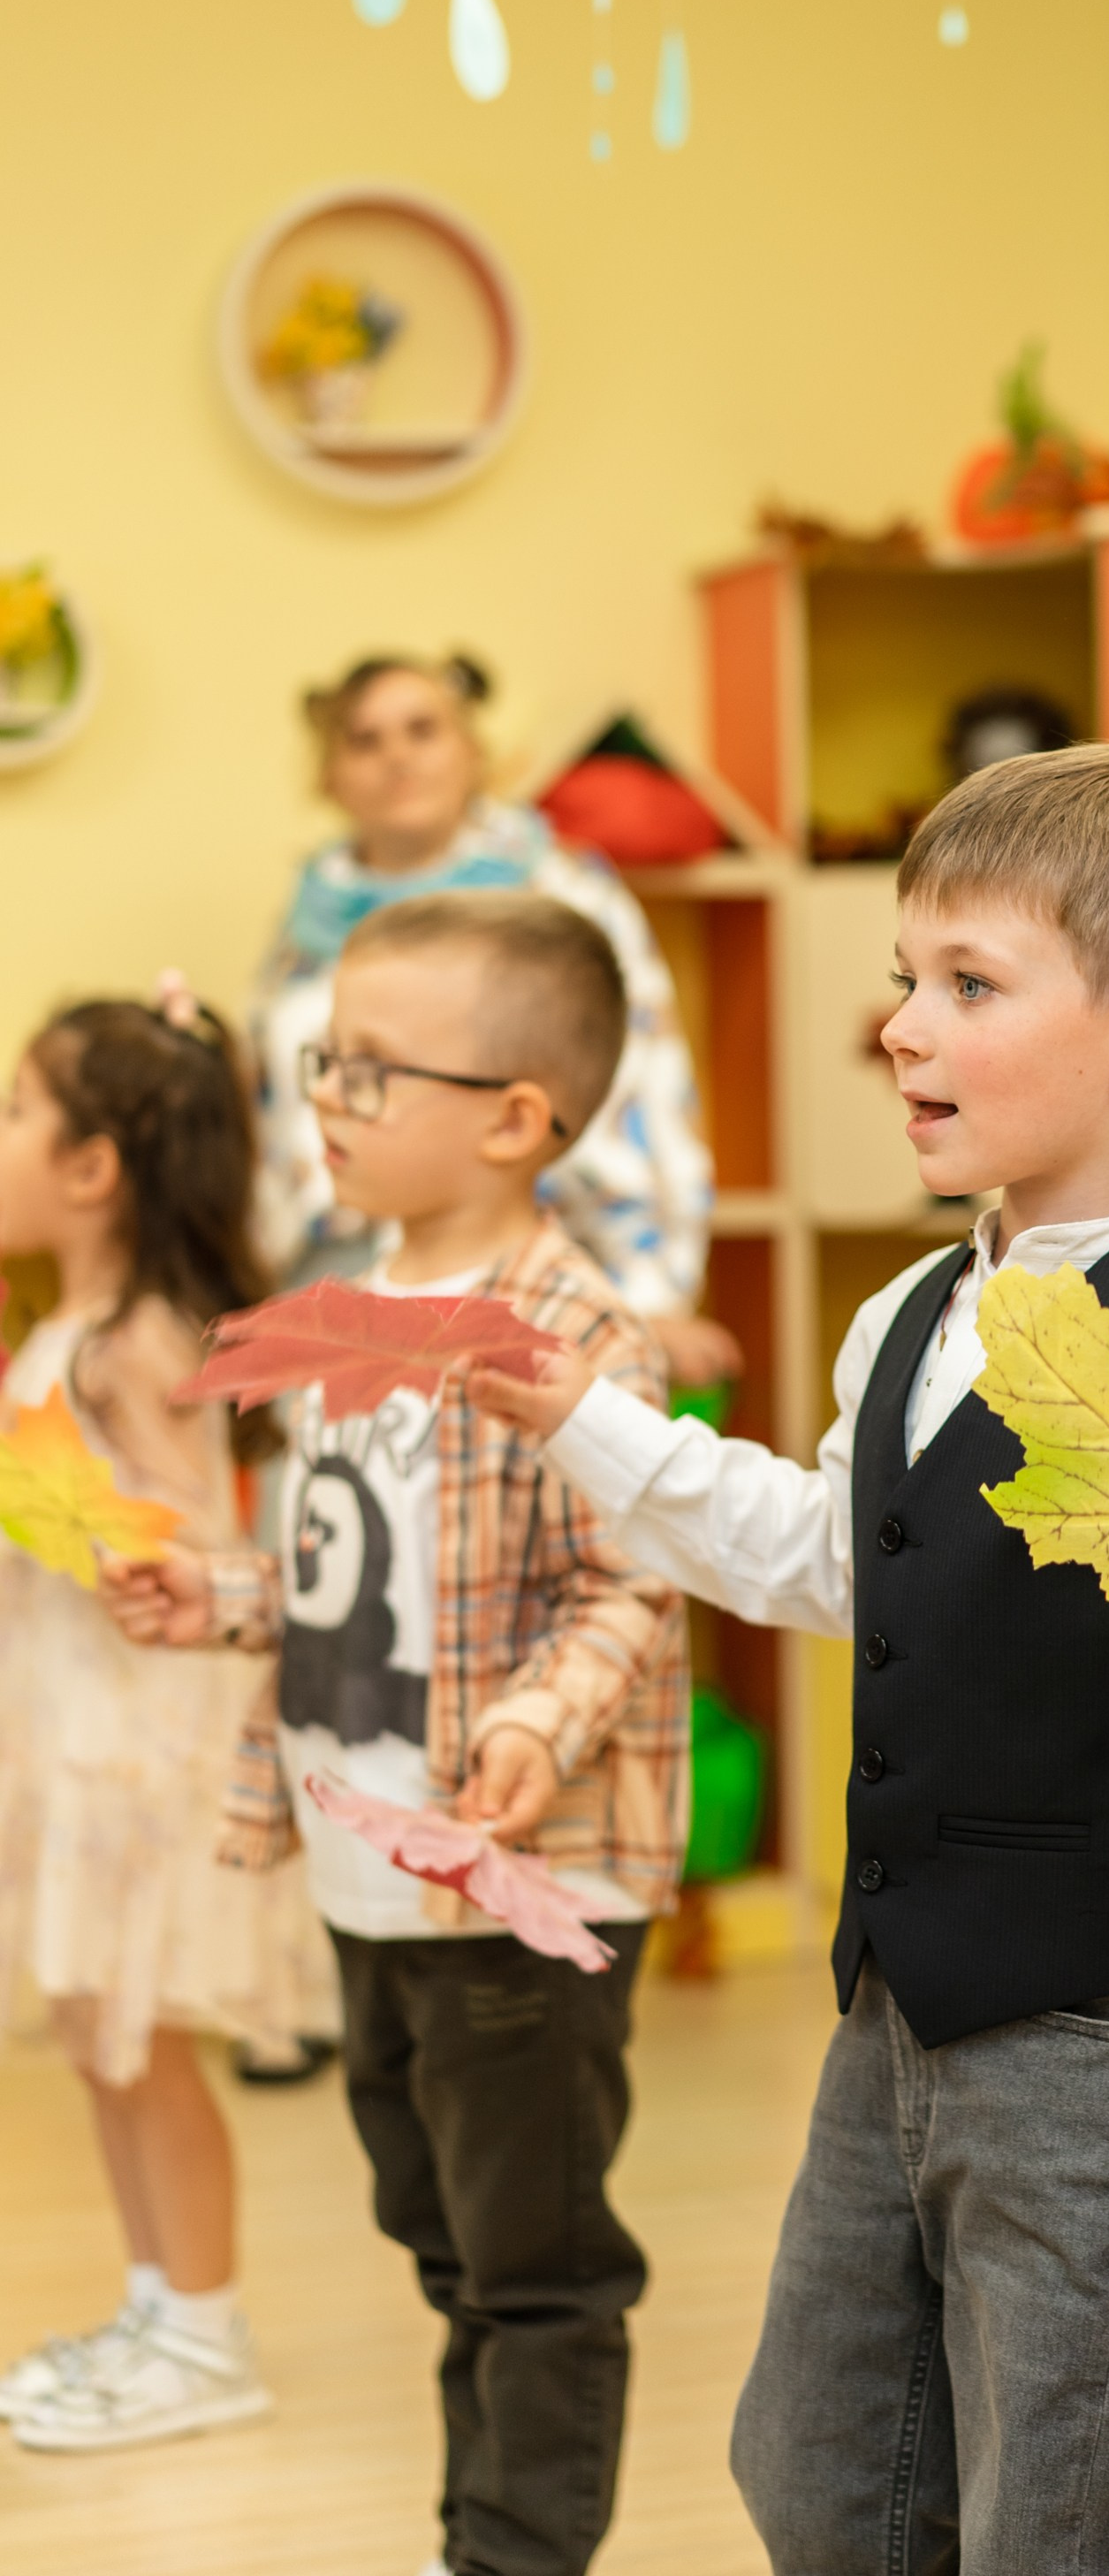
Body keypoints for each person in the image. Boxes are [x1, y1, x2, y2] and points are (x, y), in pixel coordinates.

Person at [469, 745, 1109, 2576]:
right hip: (892, 2014)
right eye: (907, 977)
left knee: (1078, 2505)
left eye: (966, 986)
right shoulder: (910, 1313)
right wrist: (587, 1419)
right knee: (824, 2468)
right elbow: (832, 1558)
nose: (900, 1027)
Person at [103, 894, 690, 2576]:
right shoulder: (344, 1313)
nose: (330, 1101)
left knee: (536, 2264)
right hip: (368, 1867)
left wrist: (535, 1725)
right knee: (432, 2226)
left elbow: (637, 1580)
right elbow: (343, 1571)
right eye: (325, 1062)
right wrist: (213, 1596)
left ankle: (510, 2551)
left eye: (372, 1071)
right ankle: (478, 2530)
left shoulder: (574, 1332)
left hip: (518, 1875)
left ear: (515, 1118)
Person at [0, 986, 309, 2450]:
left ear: (93, 1166)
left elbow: (187, 1540)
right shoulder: (70, 1320)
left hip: (142, 1740)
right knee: (95, 2036)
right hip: (67, 1727)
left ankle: (206, 2327)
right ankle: (149, 2305)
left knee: (145, 2041)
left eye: (15, 1110)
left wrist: (75, 1524)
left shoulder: (137, 1335)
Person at [254, 650, 736, 1386]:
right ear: (329, 774)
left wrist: (650, 1294)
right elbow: (274, 1121)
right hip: (347, 1280)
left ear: (474, 751)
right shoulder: (304, 925)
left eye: (422, 729)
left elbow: (648, 1091)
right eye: (365, 739)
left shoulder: (565, 894)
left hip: (537, 1261)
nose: (397, 758)